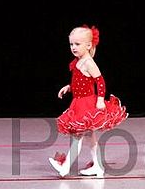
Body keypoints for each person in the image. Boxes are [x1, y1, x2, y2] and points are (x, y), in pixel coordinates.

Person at [49, 25, 128, 178]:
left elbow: (100, 81)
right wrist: (69, 87)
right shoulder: (78, 62)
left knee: (77, 138)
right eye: (71, 44)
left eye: (77, 44)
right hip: (78, 104)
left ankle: (65, 167)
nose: (73, 47)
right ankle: (97, 167)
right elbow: (81, 82)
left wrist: (100, 100)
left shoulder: (88, 62)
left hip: (87, 105)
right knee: (90, 139)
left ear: (89, 45)